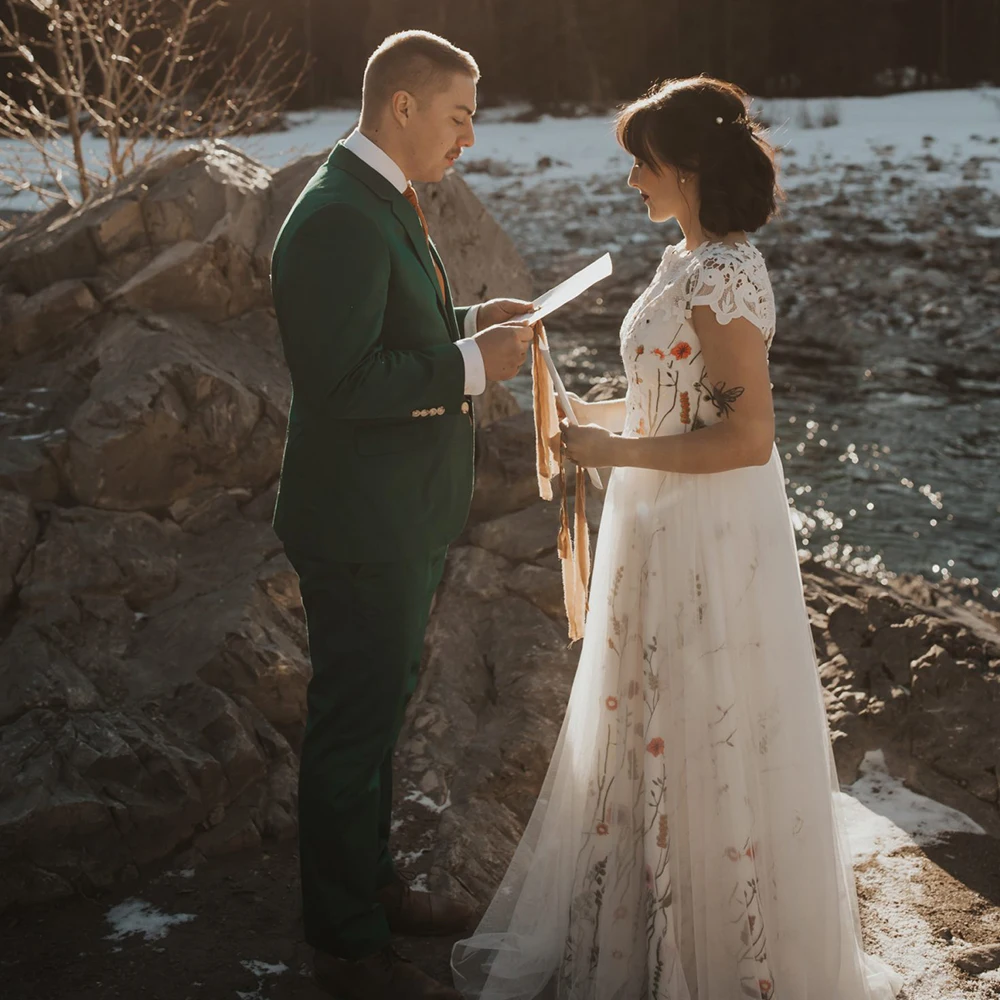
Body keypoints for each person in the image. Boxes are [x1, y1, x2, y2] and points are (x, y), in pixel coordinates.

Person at [452, 77, 904, 1000]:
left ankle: (717, 958)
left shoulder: (726, 275)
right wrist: (583, 413)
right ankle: (650, 933)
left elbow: (744, 438)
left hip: (708, 531)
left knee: (705, 721)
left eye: (642, 163)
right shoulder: (680, 262)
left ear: (688, 168)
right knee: (653, 717)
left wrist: (612, 447)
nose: (631, 182)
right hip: (658, 521)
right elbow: (676, 406)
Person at [270, 30, 535, 1000]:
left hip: (395, 521)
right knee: (352, 725)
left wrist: (473, 327)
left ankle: (368, 892)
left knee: (376, 717)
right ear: (405, 107)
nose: (468, 138)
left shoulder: (377, 198)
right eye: (460, 116)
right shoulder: (341, 213)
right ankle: (345, 947)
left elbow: (390, 332)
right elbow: (341, 380)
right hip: (360, 527)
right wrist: (472, 368)